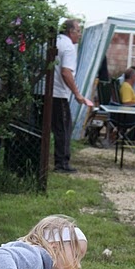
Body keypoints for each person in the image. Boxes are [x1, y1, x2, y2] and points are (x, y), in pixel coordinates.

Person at [52, 19, 90, 173]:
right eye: (78, 31)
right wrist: (77, 94)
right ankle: (62, 163)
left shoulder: (54, 41)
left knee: (43, 128)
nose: (79, 35)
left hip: (42, 92)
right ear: (70, 31)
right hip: (59, 94)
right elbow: (66, 72)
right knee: (63, 129)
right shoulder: (68, 46)